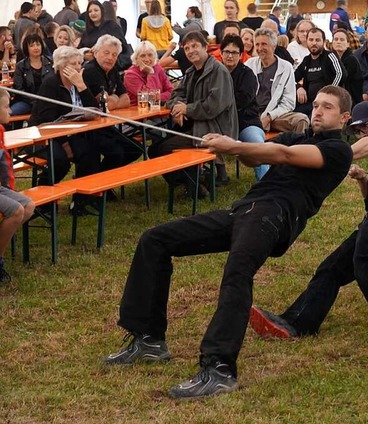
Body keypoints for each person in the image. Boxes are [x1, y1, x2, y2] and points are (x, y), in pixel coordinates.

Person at [102, 85, 354, 400]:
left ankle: (219, 368)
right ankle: (149, 338)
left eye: (327, 107)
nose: (317, 111)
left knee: (238, 271)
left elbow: (283, 155)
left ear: (344, 117)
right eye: (316, 105)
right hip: (244, 210)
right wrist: (228, 148)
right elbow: (255, 159)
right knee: (156, 239)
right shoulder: (297, 137)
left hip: (273, 217)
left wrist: (233, 144)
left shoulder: (339, 151)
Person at [249, 99, 368, 345]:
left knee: (366, 258)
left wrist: (334, 155)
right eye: (357, 130)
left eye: (364, 126)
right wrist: (362, 179)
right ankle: (298, 322)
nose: (362, 132)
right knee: (332, 268)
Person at [28, 46, 102, 215]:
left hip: (70, 132)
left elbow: (95, 110)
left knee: (90, 153)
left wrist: (82, 86)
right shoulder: (51, 83)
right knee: (59, 161)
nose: (78, 67)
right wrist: (66, 144)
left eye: (79, 63)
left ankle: (80, 201)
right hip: (44, 135)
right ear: (61, 66)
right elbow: (48, 121)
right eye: (73, 64)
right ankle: (43, 199)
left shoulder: (78, 82)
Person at [159, 31, 237, 188]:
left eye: (194, 46)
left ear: (205, 47)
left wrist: (186, 109)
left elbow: (213, 106)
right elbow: (175, 95)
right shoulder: (190, 72)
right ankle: (194, 181)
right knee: (157, 145)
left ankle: (193, 184)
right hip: (196, 124)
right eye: (186, 48)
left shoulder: (218, 71)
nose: (190, 51)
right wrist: (177, 109)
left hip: (215, 127)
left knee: (161, 149)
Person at [82, 35, 141, 172]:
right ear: (96, 52)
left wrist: (114, 99)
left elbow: (126, 100)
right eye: (106, 53)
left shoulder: (112, 70)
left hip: (107, 125)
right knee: (117, 153)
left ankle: (102, 177)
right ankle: (101, 185)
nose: (110, 58)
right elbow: (104, 104)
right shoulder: (91, 71)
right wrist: (114, 99)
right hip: (91, 128)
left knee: (135, 149)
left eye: (114, 55)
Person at [220, 35, 269, 180]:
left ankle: (266, 184)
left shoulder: (247, 74)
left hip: (245, 123)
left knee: (258, 147)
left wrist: (217, 103)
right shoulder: (216, 73)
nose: (230, 56)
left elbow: (242, 101)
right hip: (219, 124)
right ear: (221, 53)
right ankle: (212, 178)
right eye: (227, 52)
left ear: (241, 55)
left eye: (234, 53)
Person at [0, 88, 35, 284]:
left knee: (28, 206)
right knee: (15, 210)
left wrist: (9, 189)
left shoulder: (0, 130)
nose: (11, 111)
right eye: (6, 107)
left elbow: (5, 164)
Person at [246, 28, 309, 134]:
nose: (260, 48)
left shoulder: (285, 67)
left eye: (264, 44)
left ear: (273, 46)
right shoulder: (249, 64)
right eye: (257, 44)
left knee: (301, 120)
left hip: (275, 116)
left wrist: (269, 117)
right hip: (252, 115)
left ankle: (296, 149)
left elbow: (288, 102)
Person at [294, 28, 345, 117]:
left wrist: (328, 93)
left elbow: (341, 74)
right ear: (307, 42)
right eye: (311, 40)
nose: (314, 43)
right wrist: (298, 87)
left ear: (323, 42)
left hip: (327, 103)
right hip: (309, 103)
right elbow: (292, 78)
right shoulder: (307, 60)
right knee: (294, 115)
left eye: (317, 40)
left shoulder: (330, 56)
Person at [11, 33, 54, 115]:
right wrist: (35, 101)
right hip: (27, 101)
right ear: (26, 48)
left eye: (38, 44)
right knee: (12, 112)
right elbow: (19, 89)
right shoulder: (20, 66)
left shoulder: (51, 62)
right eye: (32, 45)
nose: (36, 48)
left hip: (49, 100)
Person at [123, 41, 173, 106]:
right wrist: (151, 73)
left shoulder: (158, 68)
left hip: (158, 109)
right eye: (143, 56)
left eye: (150, 55)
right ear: (136, 58)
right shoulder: (130, 75)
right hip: (139, 112)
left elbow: (171, 92)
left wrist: (157, 97)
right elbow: (146, 98)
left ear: (154, 56)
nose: (147, 59)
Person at [331, 28, 362, 105]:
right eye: (336, 39)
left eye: (342, 40)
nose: (338, 42)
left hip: (350, 99)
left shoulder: (351, 60)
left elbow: (343, 80)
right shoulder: (330, 58)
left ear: (348, 44)